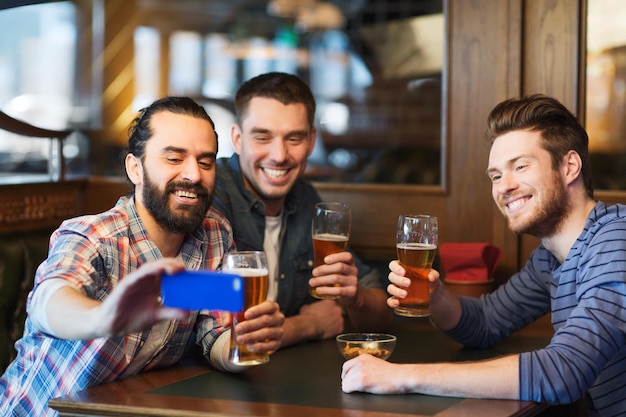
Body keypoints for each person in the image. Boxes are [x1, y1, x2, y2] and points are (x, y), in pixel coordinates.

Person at [341, 94, 626, 416]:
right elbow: (485, 324)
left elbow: (564, 372)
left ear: (569, 166)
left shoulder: (616, 240)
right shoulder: (551, 259)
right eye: (495, 175)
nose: (504, 186)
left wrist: (402, 376)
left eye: (520, 166)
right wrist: (436, 297)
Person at [0, 97, 285, 416]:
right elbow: (49, 300)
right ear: (135, 168)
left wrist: (243, 346)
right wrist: (104, 317)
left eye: (206, 162)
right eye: (174, 158)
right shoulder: (94, 237)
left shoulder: (214, 237)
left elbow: (215, 332)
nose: (193, 174)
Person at [213, 72, 392, 347]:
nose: (279, 155)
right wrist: (307, 325)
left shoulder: (305, 199)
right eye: (263, 137)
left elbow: (380, 317)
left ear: (311, 140)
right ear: (237, 138)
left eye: (294, 139)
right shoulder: (212, 196)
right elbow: (207, 326)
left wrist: (355, 299)